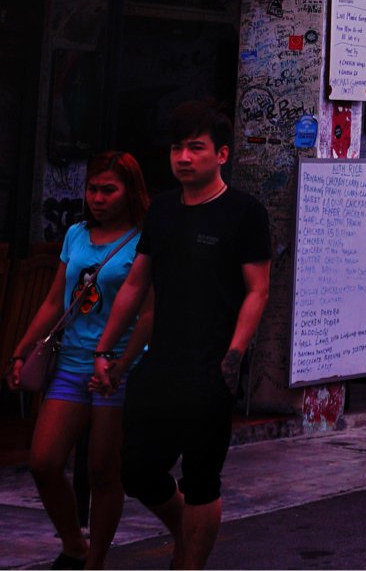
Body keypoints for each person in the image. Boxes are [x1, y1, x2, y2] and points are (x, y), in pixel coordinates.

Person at [93, 101, 270, 571]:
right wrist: (105, 349)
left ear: (222, 154)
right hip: (160, 364)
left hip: (211, 365)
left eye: (196, 148)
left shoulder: (244, 213)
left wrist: (232, 358)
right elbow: (136, 283)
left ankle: (189, 564)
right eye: (177, 148)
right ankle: (184, 534)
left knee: (201, 479)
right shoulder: (163, 210)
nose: (184, 158)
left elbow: (257, 290)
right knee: (138, 471)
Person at [8, 153, 153, 570]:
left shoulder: (144, 241)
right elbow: (56, 301)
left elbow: (148, 314)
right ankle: (74, 545)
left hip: (117, 370)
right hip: (70, 364)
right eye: (92, 189)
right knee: (44, 462)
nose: (98, 198)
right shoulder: (75, 234)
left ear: (130, 191)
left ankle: (95, 562)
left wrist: (120, 363)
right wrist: (21, 350)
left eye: (109, 190)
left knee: (104, 471)